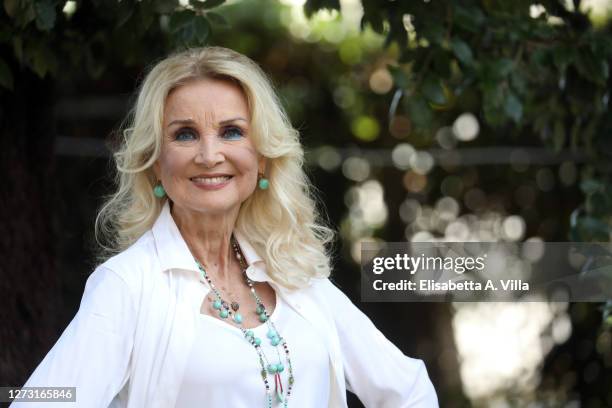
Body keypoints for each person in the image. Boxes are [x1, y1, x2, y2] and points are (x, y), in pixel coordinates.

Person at [13, 46, 438, 408]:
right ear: (155, 162)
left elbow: (410, 390)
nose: (209, 154)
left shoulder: (293, 273)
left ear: (263, 157)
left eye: (232, 132)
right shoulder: (128, 284)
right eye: (184, 135)